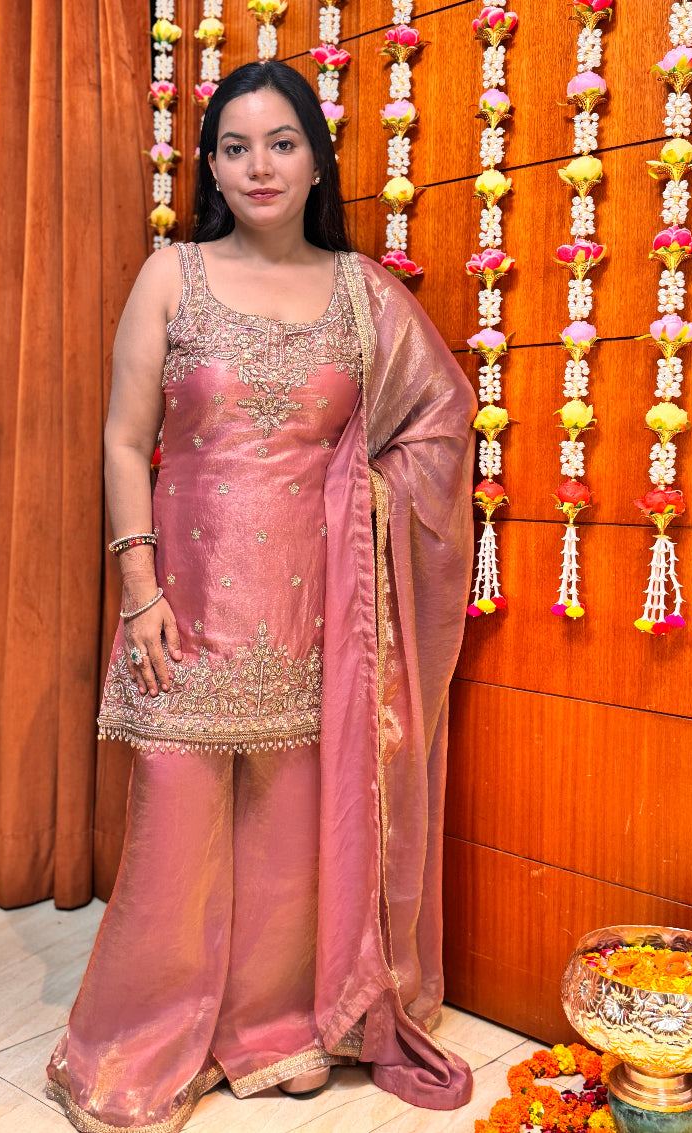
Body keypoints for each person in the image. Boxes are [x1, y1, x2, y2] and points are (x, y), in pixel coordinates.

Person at [47, 60, 477, 1133]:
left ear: (317, 157)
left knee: (293, 831)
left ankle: (275, 1028)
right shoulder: (171, 274)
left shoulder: (364, 293)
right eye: (233, 147)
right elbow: (122, 437)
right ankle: (139, 1040)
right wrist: (137, 582)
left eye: (281, 142)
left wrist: (364, 502)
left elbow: (437, 425)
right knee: (174, 833)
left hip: (308, 613)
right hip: (181, 607)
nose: (258, 166)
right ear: (209, 165)